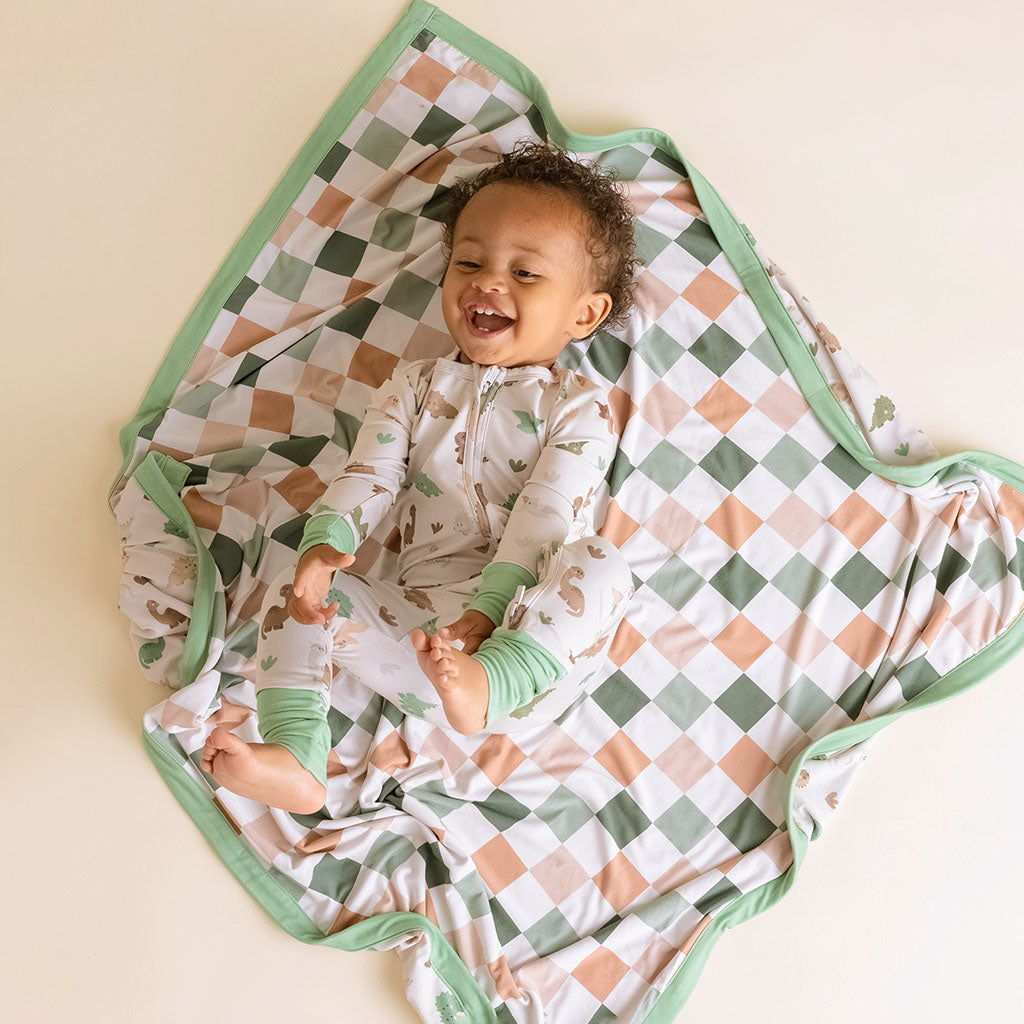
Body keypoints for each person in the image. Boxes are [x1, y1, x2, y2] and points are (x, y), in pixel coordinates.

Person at [201, 140, 642, 813]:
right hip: (423, 644)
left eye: (525, 273)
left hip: (531, 651)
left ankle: (491, 681)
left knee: (602, 564)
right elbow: (368, 474)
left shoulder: (579, 407)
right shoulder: (413, 386)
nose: (488, 283)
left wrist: (488, 616)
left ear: (583, 314)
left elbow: (545, 517)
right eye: (469, 262)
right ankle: (297, 751)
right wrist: (327, 543)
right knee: (301, 589)